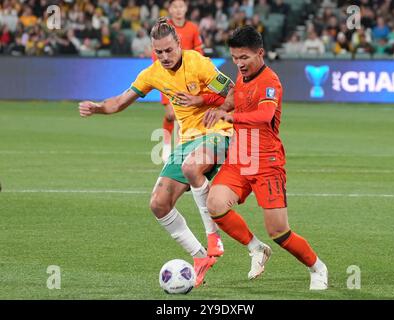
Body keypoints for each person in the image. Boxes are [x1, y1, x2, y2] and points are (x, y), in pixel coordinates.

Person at [78, 18, 233, 287]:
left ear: (179, 45)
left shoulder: (198, 62)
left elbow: (232, 92)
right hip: (187, 140)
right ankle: (199, 257)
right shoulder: (152, 74)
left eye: (169, 50)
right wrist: (98, 108)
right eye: (158, 52)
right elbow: (120, 101)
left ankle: (213, 236)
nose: (164, 57)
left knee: (192, 166)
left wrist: (203, 101)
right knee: (158, 204)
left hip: (216, 131)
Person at [203, 26, 328, 290]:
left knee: (278, 231)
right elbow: (236, 96)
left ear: (260, 53)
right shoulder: (242, 74)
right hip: (240, 157)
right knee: (214, 203)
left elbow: (264, 116)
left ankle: (316, 266)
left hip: (267, 162)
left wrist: (230, 117)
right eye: (235, 58)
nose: (239, 63)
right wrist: (220, 107)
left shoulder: (270, 82)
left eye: (244, 58)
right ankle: (255, 248)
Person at [157, 0, 204, 162]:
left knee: (184, 116)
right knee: (170, 114)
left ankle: (179, 150)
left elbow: (199, 51)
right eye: (175, 7)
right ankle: (166, 145)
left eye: (181, 7)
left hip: (188, 77)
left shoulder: (193, 28)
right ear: (170, 9)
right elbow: (156, 51)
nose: (178, 10)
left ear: (186, 8)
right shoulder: (163, 28)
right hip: (168, 75)